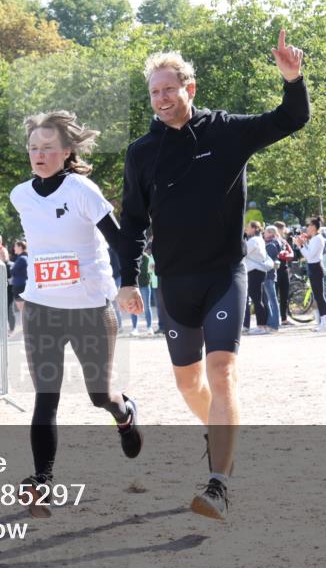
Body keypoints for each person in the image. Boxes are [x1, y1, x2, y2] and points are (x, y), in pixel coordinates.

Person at [115, 31, 309, 520]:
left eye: (168, 89)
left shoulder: (225, 131)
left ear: (190, 89)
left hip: (224, 274)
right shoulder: (141, 153)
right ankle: (226, 437)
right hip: (175, 284)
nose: (161, 99)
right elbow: (134, 221)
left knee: (222, 374)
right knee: (188, 386)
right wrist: (129, 279)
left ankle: (219, 483)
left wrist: (292, 79)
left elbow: (291, 118)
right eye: (154, 92)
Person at [11, 110, 143, 517]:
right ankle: (42, 482)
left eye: (48, 148)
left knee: (99, 395)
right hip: (42, 309)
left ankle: (124, 413)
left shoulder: (82, 189)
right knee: (45, 398)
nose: (39, 154)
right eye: (34, 148)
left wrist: (128, 282)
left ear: (67, 152)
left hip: (91, 308)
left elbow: (121, 240)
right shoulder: (20, 195)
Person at [296, 218, 326, 332]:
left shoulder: (317, 238)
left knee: (320, 296)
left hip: (316, 267)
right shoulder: (314, 239)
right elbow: (309, 253)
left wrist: (300, 245)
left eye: (309, 225)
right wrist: (304, 243)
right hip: (313, 267)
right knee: (318, 296)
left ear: (314, 227)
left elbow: (309, 255)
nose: (307, 227)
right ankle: (323, 321)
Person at [242, 221, 272, 335]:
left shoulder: (254, 241)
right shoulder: (259, 239)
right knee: (258, 299)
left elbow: (243, 251)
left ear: (254, 229)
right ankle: (262, 325)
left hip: (254, 271)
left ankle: (261, 326)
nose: (246, 229)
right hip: (258, 271)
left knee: (257, 299)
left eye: (248, 227)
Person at [273, 221, 293, 325]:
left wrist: (285, 255)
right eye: (283, 229)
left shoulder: (284, 241)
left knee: (285, 295)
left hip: (284, 269)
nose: (284, 231)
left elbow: (291, 254)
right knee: (274, 296)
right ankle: (274, 319)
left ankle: (284, 318)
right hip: (275, 271)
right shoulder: (270, 241)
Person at [11, 240, 28, 331]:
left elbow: (13, 271)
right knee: (24, 309)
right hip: (22, 284)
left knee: (22, 309)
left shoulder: (21, 258)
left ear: (20, 247)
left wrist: (11, 267)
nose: (14, 248)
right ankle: (25, 327)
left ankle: (25, 327)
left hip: (19, 285)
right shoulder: (24, 257)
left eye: (15, 246)